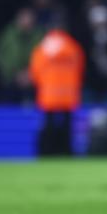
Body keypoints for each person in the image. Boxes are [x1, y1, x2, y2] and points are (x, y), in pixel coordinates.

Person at [29, 25, 85, 156]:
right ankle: (66, 152)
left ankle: (47, 152)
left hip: (48, 94)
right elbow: (80, 69)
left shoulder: (43, 48)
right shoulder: (72, 46)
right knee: (67, 125)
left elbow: (35, 71)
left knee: (48, 124)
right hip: (68, 94)